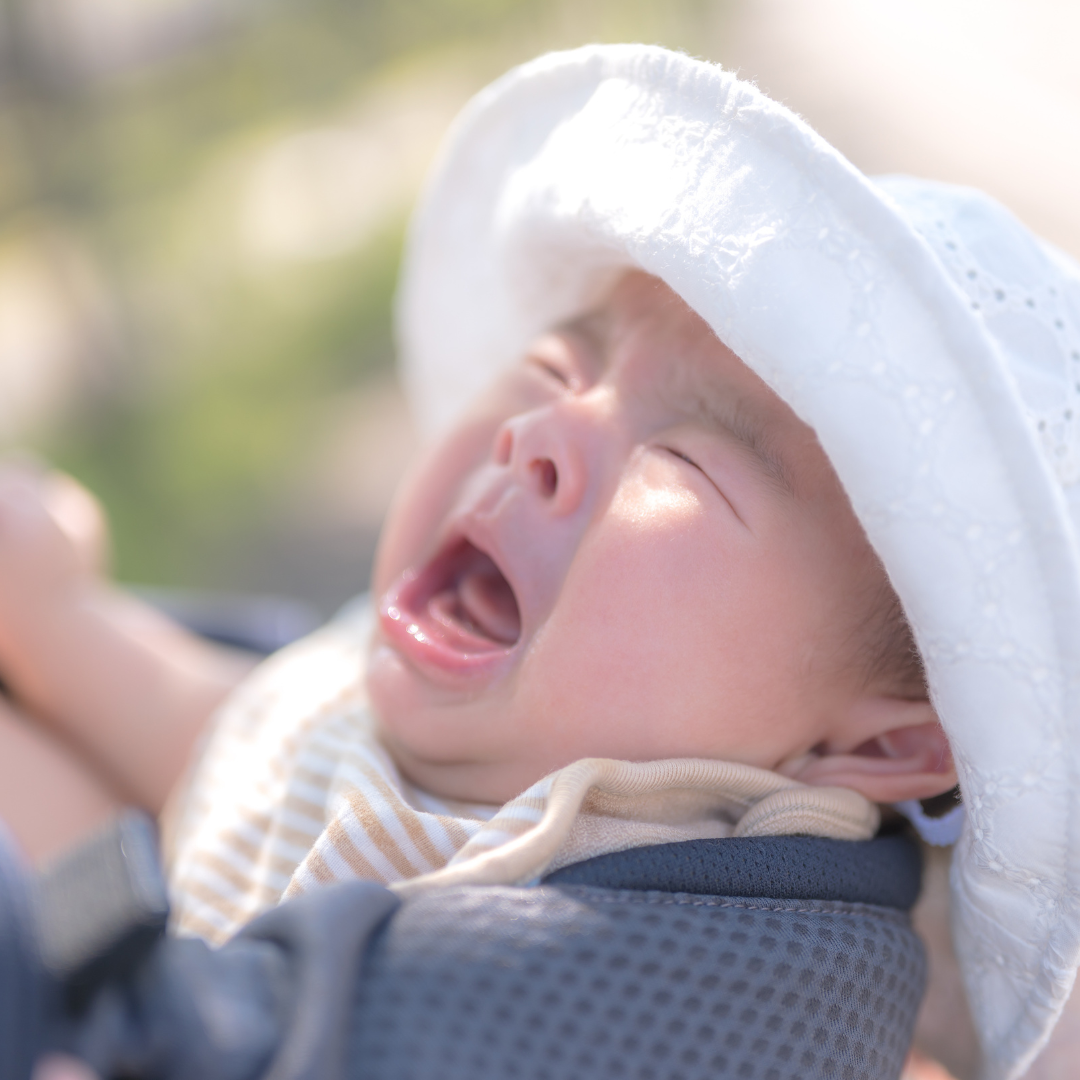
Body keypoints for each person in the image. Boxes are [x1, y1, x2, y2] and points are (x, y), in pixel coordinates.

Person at [0, 43, 1078, 1080]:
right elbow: (244, 754)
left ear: (880, 743)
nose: (543, 435)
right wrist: (56, 616)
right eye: (560, 366)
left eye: (684, 464)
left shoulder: (720, 970)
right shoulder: (495, 710)